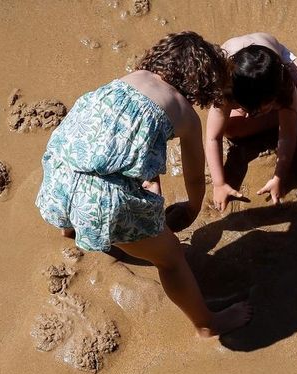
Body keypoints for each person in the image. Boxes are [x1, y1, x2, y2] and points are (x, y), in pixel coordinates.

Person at [36, 32, 252, 336]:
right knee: (173, 258)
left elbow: (114, 145)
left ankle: (69, 227)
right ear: (202, 82)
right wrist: (191, 207)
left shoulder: (124, 80)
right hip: (102, 204)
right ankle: (207, 324)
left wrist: (146, 184)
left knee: (83, 187)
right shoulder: (185, 114)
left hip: (57, 176)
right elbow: (193, 176)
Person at [205, 33, 297, 211]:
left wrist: (279, 176)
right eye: (249, 110)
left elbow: (287, 136)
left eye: (266, 108)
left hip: (274, 62)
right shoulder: (225, 88)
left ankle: (291, 110)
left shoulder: (283, 82)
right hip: (240, 75)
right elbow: (212, 137)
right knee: (230, 129)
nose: (254, 115)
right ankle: (293, 112)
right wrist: (219, 183)